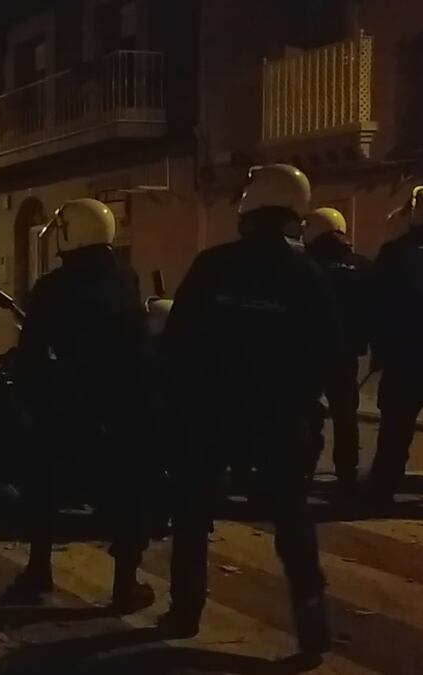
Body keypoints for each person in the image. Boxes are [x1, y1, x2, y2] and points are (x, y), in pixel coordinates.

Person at [160, 164, 337, 655]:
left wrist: (182, 404)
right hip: (279, 416)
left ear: (250, 208)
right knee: (292, 518)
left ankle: (185, 610)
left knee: (192, 512)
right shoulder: (308, 275)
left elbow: (177, 343)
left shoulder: (213, 265)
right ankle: (311, 619)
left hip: (212, 414)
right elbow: (329, 351)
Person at [8, 198, 155, 612]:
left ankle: (39, 570)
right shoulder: (126, 277)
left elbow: (32, 355)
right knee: (129, 491)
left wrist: (32, 400)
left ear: (71, 233)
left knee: (44, 485)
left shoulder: (52, 287)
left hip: (69, 401)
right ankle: (125, 584)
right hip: (126, 402)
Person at [365, 185, 423, 504]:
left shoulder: (395, 253)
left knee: (395, 430)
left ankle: (381, 490)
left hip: (406, 358)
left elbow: (376, 304)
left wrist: (379, 350)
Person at [302, 207, 372, 495]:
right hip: (345, 354)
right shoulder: (362, 266)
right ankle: (346, 473)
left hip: (309, 352)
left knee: (305, 412)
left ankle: (303, 468)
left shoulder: (306, 265)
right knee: (345, 416)